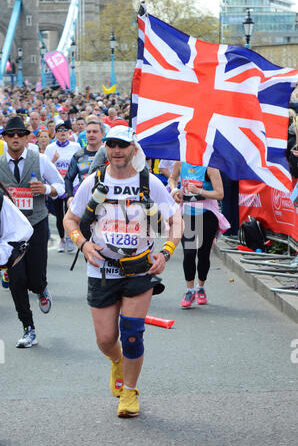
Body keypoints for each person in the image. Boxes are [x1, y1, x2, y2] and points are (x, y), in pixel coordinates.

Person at [63, 125, 183, 418]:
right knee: (106, 339)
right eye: (112, 145)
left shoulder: (150, 182)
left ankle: (129, 392)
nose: (117, 151)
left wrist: (165, 252)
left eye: (123, 145)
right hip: (102, 270)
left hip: (139, 270)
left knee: (132, 334)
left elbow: (176, 221)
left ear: (133, 149)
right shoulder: (94, 181)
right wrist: (83, 245)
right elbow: (71, 219)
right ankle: (116, 361)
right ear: (106, 148)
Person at [0, 116, 65, 348]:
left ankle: (41, 288)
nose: (15, 138)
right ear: (5, 138)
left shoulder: (41, 159)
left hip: (36, 224)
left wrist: (46, 188)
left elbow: (61, 186)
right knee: (17, 280)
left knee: (35, 278)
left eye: (20, 134)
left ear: (28, 137)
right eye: (11, 134)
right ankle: (28, 328)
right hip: (11, 231)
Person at [169, 161, 229, 308]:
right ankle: (189, 290)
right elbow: (172, 179)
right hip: (188, 214)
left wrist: (199, 191)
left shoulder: (210, 166)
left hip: (207, 215)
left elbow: (220, 194)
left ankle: (200, 287)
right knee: (189, 253)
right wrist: (174, 190)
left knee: (203, 254)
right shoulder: (180, 163)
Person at [44, 120, 81, 252]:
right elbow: (46, 168)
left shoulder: (75, 146)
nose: (62, 133)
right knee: (60, 215)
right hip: (57, 186)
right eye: (59, 130)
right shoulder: (50, 148)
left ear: (68, 132)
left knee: (70, 214)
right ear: (55, 133)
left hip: (72, 185)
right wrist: (53, 160)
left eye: (65, 130)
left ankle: (71, 239)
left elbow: (80, 166)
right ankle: (62, 240)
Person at [65, 120, 105, 205]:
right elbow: (68, 179)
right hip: (85, 200)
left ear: (103, 134)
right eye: (88, 132)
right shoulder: (78, 155)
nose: (91, 134)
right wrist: (70, 197)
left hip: (106, 201)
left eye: (95, 132)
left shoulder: (110, 154)